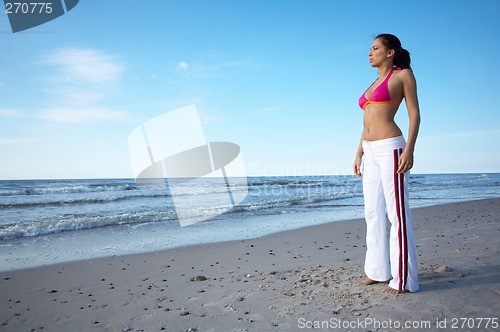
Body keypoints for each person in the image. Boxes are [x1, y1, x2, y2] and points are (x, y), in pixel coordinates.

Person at [353, 33, 421, 294]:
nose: (370, 53)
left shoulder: (403, 75)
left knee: (397, 215)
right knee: (372, 213)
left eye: (375, 48)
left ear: (390, 52)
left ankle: (403, 279)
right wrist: (358, 152)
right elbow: (367, 122)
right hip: (369, 151)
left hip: (391, 148)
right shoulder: (373, 82)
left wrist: (410, 150)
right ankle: (377, 271)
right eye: (370, 49)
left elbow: (414, 115)